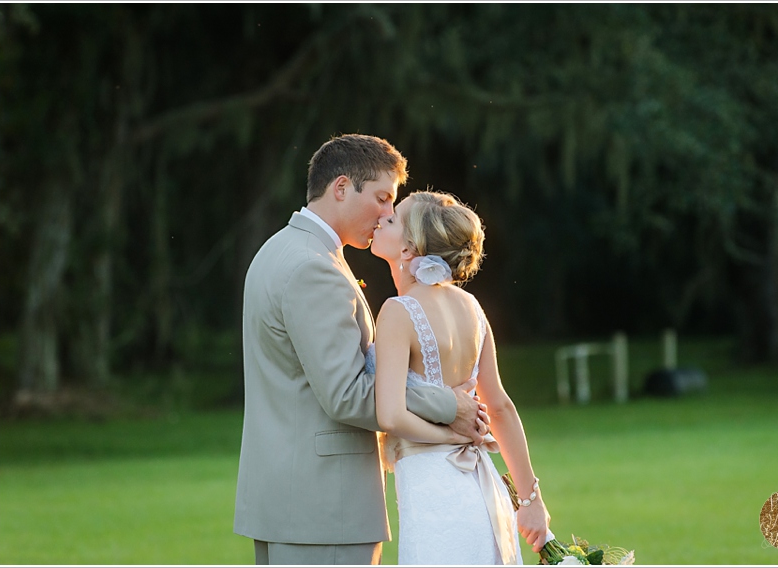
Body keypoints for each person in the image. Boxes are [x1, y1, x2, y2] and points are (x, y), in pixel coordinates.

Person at [233, 135, 488, 565]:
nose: (389, 213)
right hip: (325, 506)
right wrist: (448, 404)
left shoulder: (281, 250)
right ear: (341, 188)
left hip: (293, 502)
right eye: (383, 198)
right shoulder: (315, 267)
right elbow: (346, 394)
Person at [369, 190, 552, 565]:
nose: (382, 217)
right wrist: (531, 500)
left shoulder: (397, 312)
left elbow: (388, 415)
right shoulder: (471, 306)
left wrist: (446, 435)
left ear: (408, 249)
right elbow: (499, 406)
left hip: (432, 490)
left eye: (393, 218)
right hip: (481, 487)